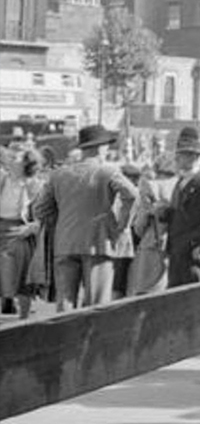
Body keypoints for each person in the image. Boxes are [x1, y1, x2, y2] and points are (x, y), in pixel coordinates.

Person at [33, 125, 138, 311]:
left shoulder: (59, 174)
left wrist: (63, 222)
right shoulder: (107, 171)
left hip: (65, 242)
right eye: (106, 145)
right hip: (98, 241)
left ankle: (64, 338)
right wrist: (122, 224)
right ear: (100, 147)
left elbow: (40, 209)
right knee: (96, 304)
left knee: (64, 302)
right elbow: (132, 195)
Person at [163, 128, 200, 287]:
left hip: (196, 257)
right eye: (179, 154)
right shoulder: (181, 182)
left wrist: (188, 243)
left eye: (182, 155)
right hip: (178, 255)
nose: (178, 159)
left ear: (194, 157)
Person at [0, 149, 44, 319]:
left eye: (15, 158)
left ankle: (24, 319)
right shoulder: (3, 178)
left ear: (27, 164)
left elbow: (47, 215)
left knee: (21, 277)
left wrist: (32, 228)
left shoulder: (35, 185)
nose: (10, 159)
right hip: (1, 227)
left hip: (21, 232)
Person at [128, 153, 176, 296]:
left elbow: (139, 225)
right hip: (174, 242)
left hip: (152, 241)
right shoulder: (179, 185)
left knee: (146, 293)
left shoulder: (149, 186)